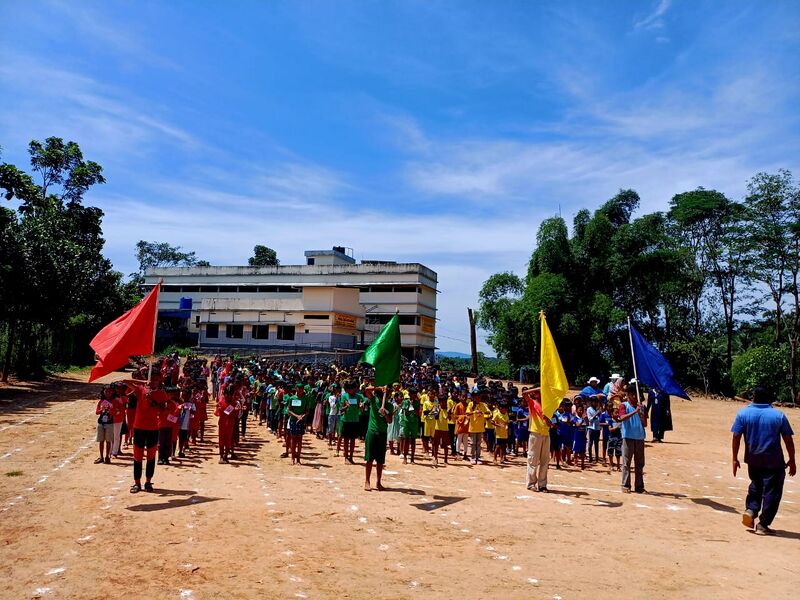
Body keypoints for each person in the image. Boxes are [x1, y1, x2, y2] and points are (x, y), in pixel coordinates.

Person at [731, 386, 796, 535]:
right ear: (769, 399)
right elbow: (788, 440)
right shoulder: (778, 415)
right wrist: (792, 460)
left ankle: (751, 510)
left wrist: (734, 458)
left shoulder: (743, 413)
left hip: (753, 458)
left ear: (753, 397)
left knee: (756, 484)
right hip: (774, 461)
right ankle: (763, 525)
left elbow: (736, 436)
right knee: (772, 492)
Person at [125, 371, 169, 493]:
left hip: (153, 428)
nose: (154, 381)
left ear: (159, 381)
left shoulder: (161, 393)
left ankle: (148, 482)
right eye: (152, 379)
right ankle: (137, 483)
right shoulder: (141, 390)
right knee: (137, 457)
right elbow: (125, 381)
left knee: (151, 457)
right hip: (139, 427)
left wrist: (152, 400)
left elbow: (163, 409)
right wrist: (143, 382)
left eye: (156, 379)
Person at [618, 384, 647, 493]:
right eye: (632, 394)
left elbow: (645, 424)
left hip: (640, 437)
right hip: (628, 437)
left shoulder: (642, 407)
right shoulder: (623, 405)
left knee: (639, 464)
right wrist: (635, 411)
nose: (635, 396)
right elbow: (622, 418)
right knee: (626, 463)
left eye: (636, 394)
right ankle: (625, 485)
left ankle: (639, 486)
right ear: (628, 395)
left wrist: (641, 415)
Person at [364, 387, 394, 490]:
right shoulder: (374, 400)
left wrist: (385, 414)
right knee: (369, 458)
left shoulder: (389, 406)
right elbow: (366, 390)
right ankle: (367, 481)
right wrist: (378, 387)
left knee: (380, 460)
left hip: (382, 433)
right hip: (372, 432)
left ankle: (378, 482)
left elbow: (390, 421)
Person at [522, 388, 550, 491]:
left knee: (545, 461)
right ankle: (531, 483)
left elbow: (550, 424)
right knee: (533, 459)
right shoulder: (532, 402)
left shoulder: (548, 406)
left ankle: (542, 484)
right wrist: (539, 388)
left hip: (546, 434)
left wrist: (548, 421)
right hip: (535, 433)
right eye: (539, 392)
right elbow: (524, 393)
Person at [95, 387, 115, 464]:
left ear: (112, 392)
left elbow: (116, 412)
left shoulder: (114, 401)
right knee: (101, 441)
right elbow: (97, 412)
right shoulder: (101, 401)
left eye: (109, 391)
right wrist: (102, 409)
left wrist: (110, 410)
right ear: (103, 392)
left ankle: (107, 457)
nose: (107, 393)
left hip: (109, 423)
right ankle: (101, 457)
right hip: (101, 423)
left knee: (108, 441)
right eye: (106, 391)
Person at [432, 394, 451, 466]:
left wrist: (449, 413)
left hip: (445, 429)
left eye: (445, 402)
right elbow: (436, 417)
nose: (444, 403)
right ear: (440, 402)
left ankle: (445, 459)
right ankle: (435, 458)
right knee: (436, 444)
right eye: (442, 402)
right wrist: (439, 410)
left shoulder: (447, 409)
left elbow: (449, 419)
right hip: (437, 428)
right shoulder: (436, 408)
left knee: (445, 445)